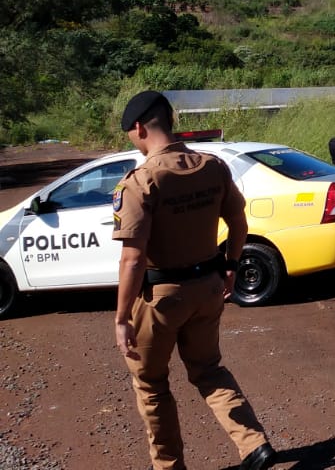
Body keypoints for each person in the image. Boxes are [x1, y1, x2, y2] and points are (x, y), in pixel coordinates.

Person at [112, 90, 277, 470]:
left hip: (161, 298)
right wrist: (232, 263)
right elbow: (239, 221)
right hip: (208, 287)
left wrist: (122, 318)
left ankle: (169, 467)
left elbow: (132, 258)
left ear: (138, 128)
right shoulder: (213, 165)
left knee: (151, 385)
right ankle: (253, 444)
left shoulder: (139, 182)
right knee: (209, 369)